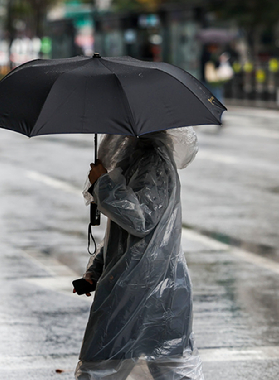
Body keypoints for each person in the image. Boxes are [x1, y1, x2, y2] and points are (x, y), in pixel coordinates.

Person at [74, 128, 203, 380]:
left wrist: (102, 183)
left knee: (101, 367)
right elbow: (120, 237)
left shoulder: (153, 161)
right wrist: (94, 271)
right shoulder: (134, 157)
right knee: (168, 367)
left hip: (147, 287)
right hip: (138, 285)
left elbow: (141, 220)